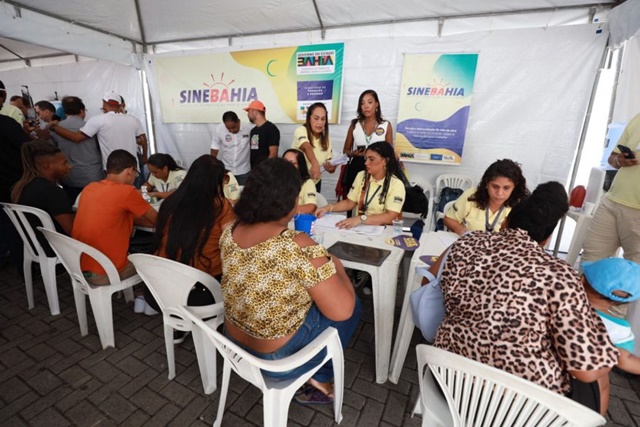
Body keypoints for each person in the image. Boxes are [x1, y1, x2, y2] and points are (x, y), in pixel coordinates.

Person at [429, 182, 618, 414]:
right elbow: (585, 370)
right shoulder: (559, 275)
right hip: (518, 407)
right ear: (547, 239)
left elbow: (428, 281)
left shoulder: (466, 243)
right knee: (597, 380)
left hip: (447, 382)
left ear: (505, 222)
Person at [220, 158, 361, 404]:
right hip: (276, 361)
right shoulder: (297, 244)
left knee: (315, 296)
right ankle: (321, 377)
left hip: (232, 346)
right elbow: (342, 311)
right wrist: (336, 265)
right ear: (289, 201)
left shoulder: (229, 230)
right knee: (353, 305)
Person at [140, 155, 236, 334]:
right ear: (217, 182)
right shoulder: (220, 205)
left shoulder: (170, 202)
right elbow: (233, 244)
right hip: (199, 295)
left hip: (160, 291)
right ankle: (224, 331)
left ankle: (180, 328)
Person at [72, 150, 157, 285]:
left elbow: (112, 215)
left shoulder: (89, 188)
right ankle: (144, 298)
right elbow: (157, 220)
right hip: (104, 271)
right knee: (156, 261)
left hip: (78, 266)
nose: (135, 177)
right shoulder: (127, 191)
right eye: (136, 173)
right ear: (130, 170)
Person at [582, 258, 640, 413]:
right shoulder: (620, 330)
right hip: (585, 376)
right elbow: (623, 361)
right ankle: (596, 419)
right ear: (623, 302)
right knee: (603, 381)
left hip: (551, 366)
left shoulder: (564, 305)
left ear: (581, 279)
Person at [582, 113, 640, 267]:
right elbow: (612, 158)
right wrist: (619, 160)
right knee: (590, 260)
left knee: (636, 270)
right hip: (611, 203)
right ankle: (582, 292)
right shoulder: (637, 118)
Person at [49, 91, 146, 172]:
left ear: (104, 104)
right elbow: (142, 139)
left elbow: (76, 138)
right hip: (132, 168)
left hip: (113, 170)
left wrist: (54, 127)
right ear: (120, 105)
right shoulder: (132, 120)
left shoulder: (98, 120)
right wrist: (144, 156)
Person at [316, 141, 405, 228]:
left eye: (371, 159)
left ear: (385, 161)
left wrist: (361, 219)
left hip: (382, 231)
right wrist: (328, 207)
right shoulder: (361, 175)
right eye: (366, 159)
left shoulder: (396, 184)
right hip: (360, 228)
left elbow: (390, 217)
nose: (366, 163)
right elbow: (349, 203)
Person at [10, 141, 74, 256]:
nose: (70, 166)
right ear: (47, 166)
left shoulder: (21, 186)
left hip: (37, 244)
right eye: (64, 163)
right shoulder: (51, 192)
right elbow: (72, 230)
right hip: (58, 247)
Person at [444, 159, 529, 236]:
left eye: (506, 188)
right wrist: (463, 232)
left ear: (515, 187)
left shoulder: (520, 204)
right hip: (469, 246)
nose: (499, 193)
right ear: (486, 183)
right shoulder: (471, 195)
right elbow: (449, 219)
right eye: (495, 186)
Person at [340, 90, 393, 200]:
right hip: (357, 166)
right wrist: (353, 153)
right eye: (362, 103)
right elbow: (346, 150)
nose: (366, 106)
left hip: (378, 167)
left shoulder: (386, 125)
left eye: (370, 102)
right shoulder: (354, 124)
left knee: (374, 200)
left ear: (376, 104)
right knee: (353, 200)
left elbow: (389, 151)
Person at [50, 96, 104, 202]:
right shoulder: (92, 128)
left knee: (75, 208)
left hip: (69, 176)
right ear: (82, 111)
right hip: (93, 175)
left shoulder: (55, 129)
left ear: (65, 113)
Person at [291, 102, 335, 190]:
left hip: (315, 183)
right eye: (316, 118)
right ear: (309, 118)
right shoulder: (301, 130)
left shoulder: (327, 139)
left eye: (323, 119)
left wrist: (331, 168)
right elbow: (306, 147)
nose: (320, 123)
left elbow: (329, 164)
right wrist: (314, 163)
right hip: (296, 182)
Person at [211, 111, 251, 185]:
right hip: (226, 170)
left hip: (243, 171)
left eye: (234, 127)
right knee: (227, 193)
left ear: (238, 121)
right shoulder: (219, 129)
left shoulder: (248, 128)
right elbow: (215, 146)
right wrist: (212, 166)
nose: (232, 130)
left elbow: (255, 145)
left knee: (244, 194)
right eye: (228, 129)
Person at [245, 100, 280, 168]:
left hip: (266, 172)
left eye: (249, 112)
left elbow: (273, 153)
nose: (248, 114)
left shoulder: (271, 129)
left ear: (255, 112)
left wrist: (266, 169)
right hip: (255, 171)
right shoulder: (253, 131)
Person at [283, 149, 317, 214]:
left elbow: (311, 207)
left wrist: (283, 212)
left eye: (292, 163)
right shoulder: (275, 179)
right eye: (284, 161)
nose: (286, 165)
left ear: (300, 165)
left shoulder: (307, 183)